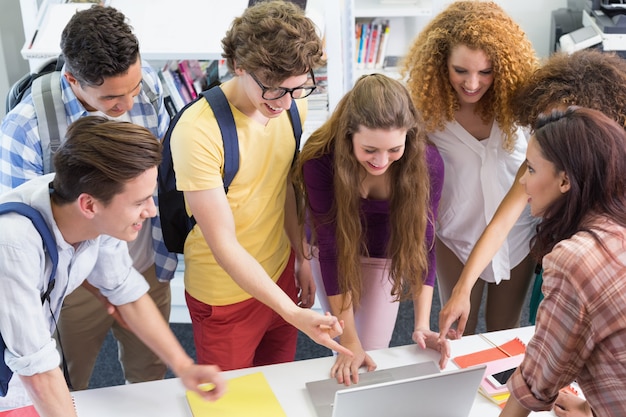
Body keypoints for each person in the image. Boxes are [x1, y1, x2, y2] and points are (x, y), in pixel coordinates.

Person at [0, 6, 176, 390]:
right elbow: (22, 237)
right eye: (112, 97)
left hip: (143, 258)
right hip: (72, 285)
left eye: (132, 88)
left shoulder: (146, 86)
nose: (128, 105)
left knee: (150, 378)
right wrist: (105, 284)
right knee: (63, 381)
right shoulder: (25, 129)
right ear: (73, 80)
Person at [0, 116, 225, 415]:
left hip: (24, 363)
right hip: (16, 377)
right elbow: (36, 369)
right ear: (89, 205)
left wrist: (183, 367)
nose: (151, 210)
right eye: (139, 202)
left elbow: (124, 291)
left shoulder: (91, 212)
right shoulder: (14, 244)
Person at [168, 0, 350, 371]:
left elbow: (284, 185)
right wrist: (290, 311)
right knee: (232, 403)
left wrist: (300, 257)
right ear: (239, 66)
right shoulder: (198, 130)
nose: (284, 103)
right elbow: (223, 244)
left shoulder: (292, 107)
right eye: (273, 89)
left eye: (297, 88)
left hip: (279, 272)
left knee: (277, 385)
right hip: (224, 292)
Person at [438, 49, 626, 339]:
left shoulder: (613, 184)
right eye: (543, 124)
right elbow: (501, 223)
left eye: (561, 125)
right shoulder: (537, 163)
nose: (546, 135)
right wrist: (463, 288)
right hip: (554, 262)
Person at [292, 73, 449, 386]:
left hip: (384, 255)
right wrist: (349, 341)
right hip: (331, 252)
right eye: (370, 150)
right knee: (344, 348)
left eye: (394, 150)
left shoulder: (428, 161)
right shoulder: (320, 160)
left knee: (372, 351)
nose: (381, 161)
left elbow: (425, 242)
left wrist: (421, 324)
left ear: (409, 137)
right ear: (348, 135)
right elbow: (333, 248)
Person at [402, 0, 539, 335]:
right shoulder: (425, 111)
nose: (473, 83)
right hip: (455, 234)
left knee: (503, 330)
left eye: (485, 72)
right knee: (457, 330)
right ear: (440, 64)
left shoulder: (523, 105)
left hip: (516, 234)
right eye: (460, 71)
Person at [499, 106, 626, 417]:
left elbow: (537, 380)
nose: (524, 184)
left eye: (530, 170)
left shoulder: (575, 259)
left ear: (565, 181)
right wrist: (587, 408)